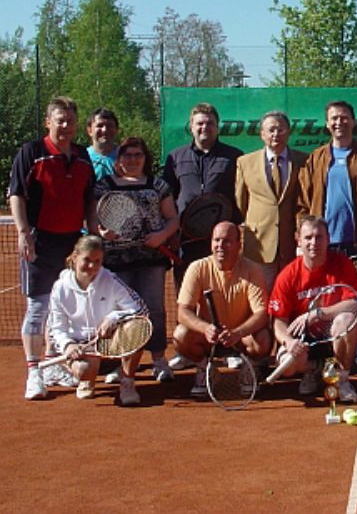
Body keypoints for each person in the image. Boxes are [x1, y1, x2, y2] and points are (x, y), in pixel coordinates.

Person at [7, 96, 94, 400]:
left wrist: (93, 235)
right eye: (60, 120)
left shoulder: (83, 157)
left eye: (70, 120)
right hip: (40, 240)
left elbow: (89, 201)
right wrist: (23, 233)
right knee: (39, 307)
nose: (66, 126)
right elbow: (16, 195)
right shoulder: (31, 152)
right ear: (49, 122)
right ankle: (34, 373)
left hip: (73, 243)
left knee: (65, 308)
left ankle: (53, 364)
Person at [90, 137, 179, 384]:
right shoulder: (104, 186)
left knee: (155, 310)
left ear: (145, 158)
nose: (132, 159)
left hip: (151, 259)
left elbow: (173, 218)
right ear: (119, 159)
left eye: (137, 154)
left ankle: (159, 361)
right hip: (116, 261)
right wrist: (102, 232)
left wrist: (161, 236)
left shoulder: (158, 185)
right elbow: (93, 223)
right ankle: (123, 364)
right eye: (127, 155)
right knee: (121, 313)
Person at [163, 102, 243, 370]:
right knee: (186, 296)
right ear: (191, 126)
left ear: (217, 126)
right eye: (199, 123)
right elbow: (168, 199)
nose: (204, 127)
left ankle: (226, 348)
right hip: (186, 243)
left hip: (222, 244)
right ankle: (189, 351)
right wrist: (171, 233)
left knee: (223, 295)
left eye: (209, 123)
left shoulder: (234, 157)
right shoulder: (175, 157)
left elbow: (240, 201)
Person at [269, 216, 357, 403]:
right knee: (286, 364)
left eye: (319, 237)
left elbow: (354, 303)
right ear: (298, 240)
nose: (314, 243)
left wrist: (317, 314)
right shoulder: (288, 275)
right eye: (308, 238)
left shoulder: (342, 264)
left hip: (332, 334)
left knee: (346, 321)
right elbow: (278, 321)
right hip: (304, 341)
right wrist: (288, 342)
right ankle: (313, 370)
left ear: (328, 238)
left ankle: (341, 379)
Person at [173, 222, 272, 397]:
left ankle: (248, 369)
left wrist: (238, 333)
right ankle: (205, 367)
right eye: (216, 240)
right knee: (180, 335)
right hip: (208, 338)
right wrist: (205, 328)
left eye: (227, 241)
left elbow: (262, 314)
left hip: (241, 339)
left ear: (239, 245)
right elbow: (183, 311)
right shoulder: (197, 268)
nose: (220, 246)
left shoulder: (253, 269)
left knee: (263, 339)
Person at [48, 235, 148, 405]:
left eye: (97, 261)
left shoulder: (111, 280)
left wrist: (113, 317)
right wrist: (68, 345)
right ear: (74, 257)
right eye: (87, 260)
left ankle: (127, 382)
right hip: (83, 347)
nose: (92, 266)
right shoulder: (60, 288)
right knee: (84, 370)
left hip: (109, 343)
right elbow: (57, 327)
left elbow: (140, 309)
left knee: (136, 328)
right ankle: (86, 380)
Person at [297, 100, 357, 257]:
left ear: (353, 122)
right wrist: (302, 238)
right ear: (327, 124)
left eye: (344, 117)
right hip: (322, 244)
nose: (339, 122)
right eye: (334, 118)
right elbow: (303, 203)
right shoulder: (315, 159)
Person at [235, 110, 307, 290]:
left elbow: (306, 200)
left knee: (291, 294)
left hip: (291, 244)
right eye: (271, 130)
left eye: (281, 130)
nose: (276, 134)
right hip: (259, 245)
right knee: (260, 298)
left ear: (289, 132)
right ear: (262, 134)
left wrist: (299, 230)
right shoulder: (245, 163)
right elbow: (241, 202)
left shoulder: (304, 161)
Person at [85, 108, 119, 179]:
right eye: (100, 126)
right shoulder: (83, 157)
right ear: (90, 130)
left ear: (116, 130)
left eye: (109, 126)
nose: (104, 130)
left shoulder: (126, 157)